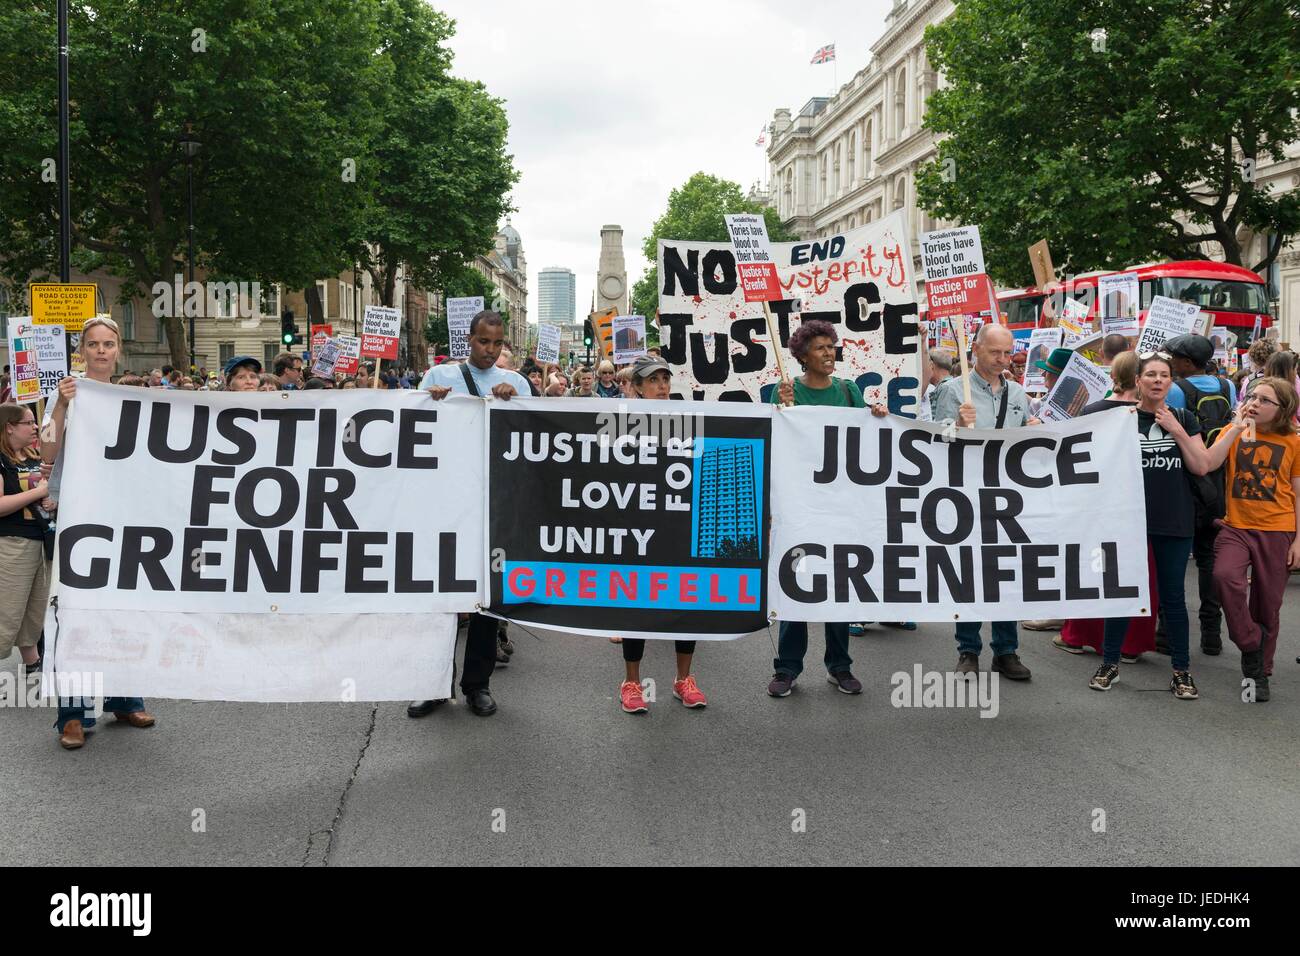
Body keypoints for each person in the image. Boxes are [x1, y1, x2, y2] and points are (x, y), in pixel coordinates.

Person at [40, 316, 156, 748]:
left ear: (119, 350)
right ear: (82, 351)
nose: (101, 351)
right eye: (93, 344)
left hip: (123, 515)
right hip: (79, 514)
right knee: (74, 609)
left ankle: (125, 698)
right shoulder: (68, 393)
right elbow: (47, 448)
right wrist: (61, 407)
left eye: (109, 344)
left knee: (122, 605)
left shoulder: (132, 396)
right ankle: (72, 714)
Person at [409, 311, 529, 719]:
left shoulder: (517, 384)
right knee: (440, 597)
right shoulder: (437, 378)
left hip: (492, 506)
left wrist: (515, 406)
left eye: (496, 344)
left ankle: (477, 684)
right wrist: (433, 405)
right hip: (443, 505)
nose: (489, 350)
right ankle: (434, 684)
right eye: (482, 342)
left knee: (483, 601)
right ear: (468, 339)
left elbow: (539, 438)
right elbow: (412, 430)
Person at [1086, 351, 1213, 700]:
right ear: (1138, 381)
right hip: (1127, 521)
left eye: (1164, 375)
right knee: (1123, 595)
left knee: (1172, 599)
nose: (1158, 380)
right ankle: (1110, 662)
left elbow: (1201, 466)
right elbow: (1081, 428)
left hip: (1174, 520)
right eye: (1151, 375)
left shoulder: (1184, 417)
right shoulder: (1119, 418)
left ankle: (1182, 672)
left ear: (1170, 381)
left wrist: (1176, 430)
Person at [930, 323, 1035, 679]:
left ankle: (1006, 651)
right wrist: (956, 425)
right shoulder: (951, 390)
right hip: (965, 497)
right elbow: (933, 443)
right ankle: (968, 650)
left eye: (1007, 353)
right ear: (975, 350)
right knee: (970, 575)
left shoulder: (1019, 394)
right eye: (995, 352)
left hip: (1007, 498)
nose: (1003, 360)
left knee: (1006, 573)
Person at [767, 319, 864, 697]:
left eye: (831, 347)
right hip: (800, 506)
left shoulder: (848, 390)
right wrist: (781, 407)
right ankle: (787, 668)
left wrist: (875, 416)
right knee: (798, 583)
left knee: (837, 587)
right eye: (821, 348)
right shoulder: (787, 391)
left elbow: (868, 440)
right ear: (802, 356)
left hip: (841, 506)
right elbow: (776, 439)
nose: (829, 353)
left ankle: (840, 666)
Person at [617, 354, 707, 713]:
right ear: (637, 387)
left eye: (665, 379)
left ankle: (683, 679)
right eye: (653, 380)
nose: (662, 385)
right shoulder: (621, 421)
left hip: (679, 523)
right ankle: (632, 682)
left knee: (686, 601)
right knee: (637, 602)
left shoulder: (688, 419)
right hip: (638, 525)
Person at [1054, 352, 1157, 661]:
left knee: (1096, 570)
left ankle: (1078, 635)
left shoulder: (1094, 411)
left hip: (1100, 505)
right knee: (1134, 572)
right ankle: (1130, 644)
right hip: (1140, 504)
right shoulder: (1150, 414)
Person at [1211, 377, 1300, 702]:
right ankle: (1250, 644)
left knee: (1268, 605)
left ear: (1282, 409)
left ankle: (1258, 672)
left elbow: (1298, 494)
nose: (1255, 403)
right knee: (1224, 577)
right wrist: (1235, 425)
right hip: (1236, 526)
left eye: (1264, 400)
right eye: (1252, 396)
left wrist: (1298, 540)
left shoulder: (1294, 441)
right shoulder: (1237, 430)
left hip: (1278, 529)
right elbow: (1212, 460)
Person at [1164, 333, 1234, 655]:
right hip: (1216, 482)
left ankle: (1166, 631)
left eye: (1174, 358)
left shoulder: (1176, 390)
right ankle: (1211, 632)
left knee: (1174, 559)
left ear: (1187, 363)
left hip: (1182, 481)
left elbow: (1169, 433)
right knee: (1208, 557)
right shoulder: (1227, 386)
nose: (1170, 362)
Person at [0, 404, 51, 680]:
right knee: (8, 608)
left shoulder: (34, 455)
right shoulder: (1, 459)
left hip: (41, 540)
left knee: (35, 608)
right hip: (11, 543)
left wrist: (51, 495)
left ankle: (33, 662)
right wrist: (39, 491)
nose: (34, 428)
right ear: (9, 427)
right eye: (28, 423)